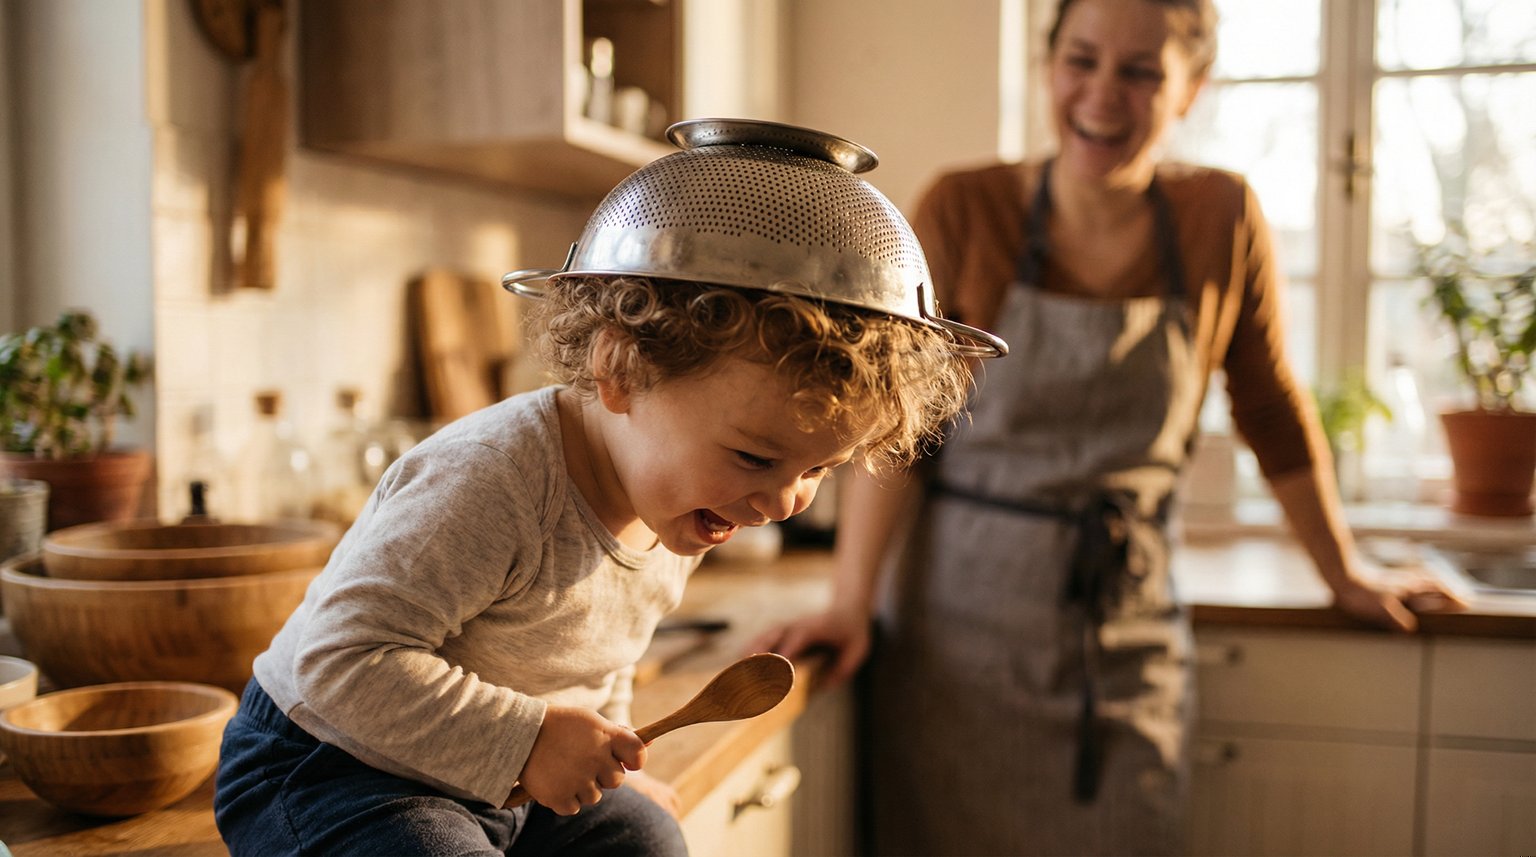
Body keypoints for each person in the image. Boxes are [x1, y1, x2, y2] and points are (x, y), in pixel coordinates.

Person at [749, 1, 1466, 854]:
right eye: (1081, 61)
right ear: (1047, 66)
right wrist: (849, 600)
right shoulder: (964, 206)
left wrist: (1344, 573)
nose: (1101, 95)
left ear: (1191, 91)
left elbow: (1270, 409)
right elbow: (893, 431)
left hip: (1126, 632)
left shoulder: (1221, 217)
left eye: (1141, 72)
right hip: (954, 640)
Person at [210, 120, 990, 857]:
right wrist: (530, 739)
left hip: (493, 779)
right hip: (332, 762)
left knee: (644, 837)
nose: (788, 501)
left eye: (819, 468)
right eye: (758, 457)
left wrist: (616, 749)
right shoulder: (494, 479)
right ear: (621, 370)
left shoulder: (682, 501)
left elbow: (598, 655)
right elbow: (337, 663)